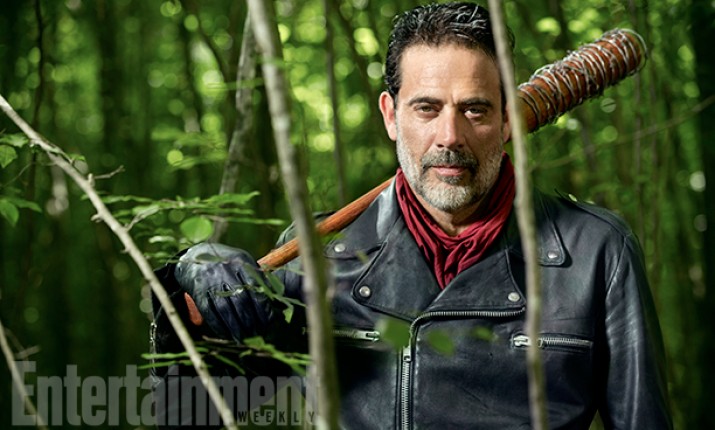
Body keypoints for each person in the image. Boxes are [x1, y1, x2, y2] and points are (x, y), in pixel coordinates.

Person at [150, 2, 672, 429]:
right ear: (391, 116)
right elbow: (190, 412)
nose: (450, 136)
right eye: (426, 108)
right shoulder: (320, 259)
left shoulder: (595, 252)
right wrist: (191, 278)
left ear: (506, 120)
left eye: (474, 109)